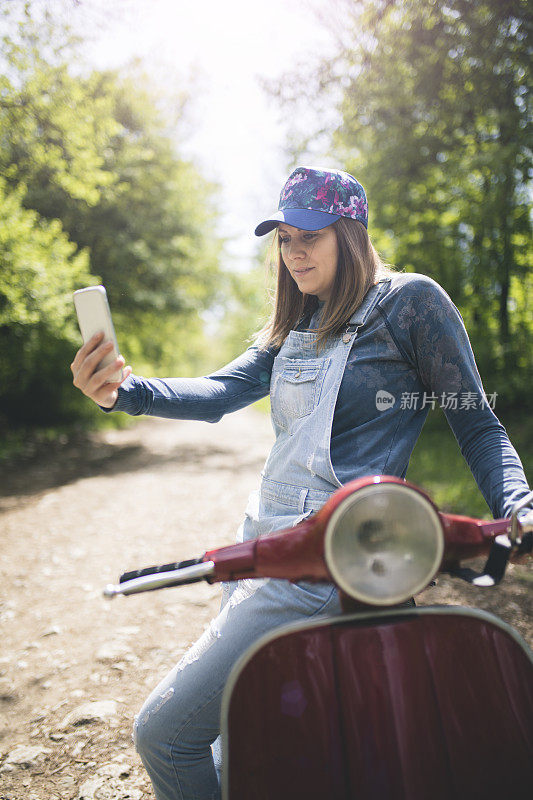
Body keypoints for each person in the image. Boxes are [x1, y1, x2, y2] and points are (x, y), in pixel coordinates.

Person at [70, 166, 531, 800]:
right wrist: (124, 392)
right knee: (241, 745)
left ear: (351, 232)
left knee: (163, 735)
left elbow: (476, 425)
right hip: (261, 549)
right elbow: (218, 394)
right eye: (284, 237)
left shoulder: (410, 303)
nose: (294, 252)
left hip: (331, 557)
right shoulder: (295, 326)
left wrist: (520, 506)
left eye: (310, 234)